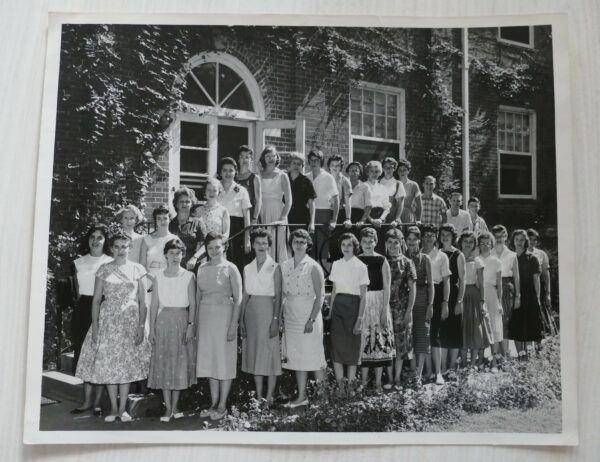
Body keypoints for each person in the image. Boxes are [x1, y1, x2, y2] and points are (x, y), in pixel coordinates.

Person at [75, 232, 151, 423]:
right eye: (116, 247)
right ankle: (113, 409)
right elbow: (95, 301)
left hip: (129, 321)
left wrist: (142, 326)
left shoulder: (137, 269)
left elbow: (144, 302)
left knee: (125, 364)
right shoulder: (103, 269)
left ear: (130, 248)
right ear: (111, 248)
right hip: (108, 320)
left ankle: (123, 409)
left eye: (124, 246)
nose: (120, 250)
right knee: (109, 364)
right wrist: (96, 327)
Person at [147, 238, 197, 422]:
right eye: (171, 253)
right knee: (165, 363)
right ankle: (167, 408)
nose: (175, 257)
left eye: (179, 253)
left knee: (179, 363)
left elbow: (193, 303)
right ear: (165, 256)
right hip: (163, 321)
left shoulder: (189, 276)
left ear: (183, 255)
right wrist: (151, 329)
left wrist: (191, 326)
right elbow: (153, 306)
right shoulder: (158, 276)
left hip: (182, 321)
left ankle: (176, 407)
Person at [195, 233, 243, 421]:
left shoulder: (231, 268)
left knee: (224, 361)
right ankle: (213, 403)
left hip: (224, 317)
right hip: (205, 318)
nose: (214, 251)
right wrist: (196, 323)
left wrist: (234, 325)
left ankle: (223, 405)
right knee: (209, 362)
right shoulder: (202, 267)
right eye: (210, 248)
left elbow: (238, 298)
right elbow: (198, 296)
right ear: (206, 249)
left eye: (217, 247)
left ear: (224, 247)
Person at [69, 224, 113, 415]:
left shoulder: (110, 262)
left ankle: (97, 401)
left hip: (104, 308)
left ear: (105, 241)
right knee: (84, 355)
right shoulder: (78, 262)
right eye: (92, 237)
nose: (95, 240)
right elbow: (75, 291)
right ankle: (86, 401)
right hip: (83, 309)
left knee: (101, 354)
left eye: (100, 237)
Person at [280, 229, 327, 407]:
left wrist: (312, 320)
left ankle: (323, 398)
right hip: (291, 316)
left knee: (313, 355)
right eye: (295, 241)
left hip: (309, 316)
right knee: (297, 357)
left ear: (308, 245)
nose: (298, 245)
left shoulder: (313, 266)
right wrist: (282, 319)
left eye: (302, 242)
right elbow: (282, 294)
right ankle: (301, 396)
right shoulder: (284, 265)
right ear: (291, 244)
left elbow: (320, 296)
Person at [240, 228, 283, 404]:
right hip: (251, 314)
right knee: (256, 354)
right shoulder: (247, 268)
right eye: (258, 243)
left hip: (268, 312)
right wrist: (241, 320)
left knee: (270, 355)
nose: (261, 246)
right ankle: (258, 396)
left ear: (269, 245)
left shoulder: (275, 267)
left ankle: (270, 396)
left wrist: (276, 320)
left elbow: (280, 295)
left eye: (265, 243)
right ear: (253, 245)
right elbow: (244, 295)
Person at [327, 233, 369, 385]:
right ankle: (340, 387)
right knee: (337, 348)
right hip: (338, 307)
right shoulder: (336, 264)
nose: (346, 248)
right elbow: (333, 290)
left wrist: (360, 319)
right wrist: (331, 312)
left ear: (355, 247)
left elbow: (363, 297)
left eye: (349, 245)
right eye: (343, 245)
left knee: (352, 348)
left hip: (353, 307)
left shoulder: (361, 266)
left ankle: (350, 387)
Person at [357, 228, 394, 392]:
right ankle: (364, 382)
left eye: (370, 241)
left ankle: (378, 382)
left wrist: (384, 310)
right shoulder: (356, 260)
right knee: (364, 342)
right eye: (364, 242)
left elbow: (387, 286)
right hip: (363, 302)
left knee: (379, 342)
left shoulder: (381, 260)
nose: (367, 245)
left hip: (378, 301)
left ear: (376, 242)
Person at [383, 228, 416, 389]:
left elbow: (412, 289)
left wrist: (409, 310)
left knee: (401, 344)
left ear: (401, 243)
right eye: (390, 242)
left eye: (396, 242)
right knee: (387, 343)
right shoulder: (382, 261)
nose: (393, 246)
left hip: (401, 308)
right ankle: (388, 378)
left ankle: (397, 378)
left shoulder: (407, 262)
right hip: (384, 308)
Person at [421, 224, 451, 385]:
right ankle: (427, 371)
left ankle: (438, 372)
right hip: (420, 293)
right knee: (423, 334)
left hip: (438, 294)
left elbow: (447, 282)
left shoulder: (442, 256)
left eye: (431, 235)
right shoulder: (417, 254)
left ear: (436, 237)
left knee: (435, 334)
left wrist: (445, 303)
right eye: (425, 235)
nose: (428, 238)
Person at [508, 229, 544, 358]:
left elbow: (536, 279)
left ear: (526, 241)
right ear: (513, 241)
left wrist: (537, 298)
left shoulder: (532, 258)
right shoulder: (510, 256)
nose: (519, 242)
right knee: (517, 325)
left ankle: (528, 357)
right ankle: (520, 356)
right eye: (517, 239)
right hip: (513, 295)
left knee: (529, 326)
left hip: (529, 296)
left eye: (522, 240)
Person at [459, 231, 492, 368]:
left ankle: (472, 363)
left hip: (473, 295)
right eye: (465, 241)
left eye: (471, 242)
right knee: (461, 329)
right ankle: (462, 362)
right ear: (460, 242)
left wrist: (482, 302)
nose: (467, 244)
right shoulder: (456, 257)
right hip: (459, 295)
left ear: (474, 245)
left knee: (474, 329)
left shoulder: (477, 260)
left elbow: (481, 282)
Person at [405, 226, 433, 384]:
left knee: (422, 336)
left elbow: (431, 284)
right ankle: (410, 372)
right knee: (408, 336)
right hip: (405, 301)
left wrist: (431, 304)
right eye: (409, 239)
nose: (411, 242)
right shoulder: (401, 257)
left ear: (419, 240)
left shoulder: (425, 258)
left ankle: (418, 375)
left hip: (422, 299)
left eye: (414, 239)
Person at [439, 224, 466, 374]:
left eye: (447, 235)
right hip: (440, 296)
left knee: (454, 331)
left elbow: (462, 280)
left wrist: (459, 302)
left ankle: (452, 367)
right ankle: (442, 367)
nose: (445, 237)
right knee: (442, 332)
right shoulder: (437, 253)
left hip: (454, 296)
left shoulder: (458, 255)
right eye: (442, 234)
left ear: (453, 237)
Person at [217, 157, 252, 272]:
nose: (228, 173)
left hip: (237, 230)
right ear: (220, 172)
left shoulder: (241, 191)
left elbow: (247, 218)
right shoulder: (215, 188)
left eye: (231, 170)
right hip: (219, 228)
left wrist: (247, 240)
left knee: (236, 263)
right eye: (225, 170)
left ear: (235, 172)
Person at [306, 149, 339, 269]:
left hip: (323, 214)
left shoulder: (328, 177)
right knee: (309, 245)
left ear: (321, 161)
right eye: (311, 160)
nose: (314, 163)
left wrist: (334, 219)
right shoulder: (306, 176)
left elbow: (336, 199)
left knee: (322, 247)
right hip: (309, 215)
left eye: (316, 160)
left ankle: (323, 275)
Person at [258, 146, 292, 262]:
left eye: (273, 156)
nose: (271, 158)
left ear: (277, 157)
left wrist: (283, 217)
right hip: (262, 211)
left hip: (278, 212)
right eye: (267, 156)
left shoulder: (282, 175)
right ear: (263, 158)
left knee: (279, 244)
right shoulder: (259, 175)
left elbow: (289, 200)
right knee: (264, 242)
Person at [493, 224, 521, 358]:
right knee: (493, 320)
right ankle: (495, 354)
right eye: (496, 236)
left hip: (506, 287)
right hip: (492, 288)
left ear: (506, 237)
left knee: (504, 320)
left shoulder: (512, 255)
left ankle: (504, 355)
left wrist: (518, 296)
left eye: (501, 236)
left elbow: (516, 276)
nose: (499, 239)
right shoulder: (488, 252)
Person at [479, 231, 503, 372]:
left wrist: (499, 303)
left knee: (494, 327)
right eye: (482, 244)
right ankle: (480, 360)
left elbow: (499, 284)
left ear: (492, 244)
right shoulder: (476, 259)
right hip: (479, 295)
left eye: (487, 244)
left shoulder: (496, 261)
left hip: (492, 295)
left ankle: (494, 361)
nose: (485, 246)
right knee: (480, 328)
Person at [192, 178, 230, 264]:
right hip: (201, 252)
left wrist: (216, 246)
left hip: (217, 250)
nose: (211, 193)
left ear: (218, 192)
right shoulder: (198, 210)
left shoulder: (223, 211)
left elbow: (226, 234)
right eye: (208, 190)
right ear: (205, 192)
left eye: (214, 190)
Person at [168, 187, 204, 269]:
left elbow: (204, 245)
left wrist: (195, 258)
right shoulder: (170, 224)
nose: (184, 204)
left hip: (191, 265)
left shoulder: (197, 223)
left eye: (187, 201)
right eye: (181, 201)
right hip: (173, 265)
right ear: (176, 204)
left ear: (192, 204)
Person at [328, 155, 353, 261]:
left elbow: (348, 202)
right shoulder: (326, 178)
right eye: (332, 165)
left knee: (337, 244)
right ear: (329, 166)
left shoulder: (344, 180)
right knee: (325, 244)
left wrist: (348, 218)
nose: (335, 167)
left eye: (337, 165)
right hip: (326, 213)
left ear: (341, 167)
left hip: (339, 214)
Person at [140, 205, 176, 279]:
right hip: (149, 279)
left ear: (170, 219)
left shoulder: (174, 239)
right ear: (155, 220)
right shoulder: (147, 239)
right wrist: (151, 278)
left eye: (165, 218)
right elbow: (142, 264)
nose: (162, 221)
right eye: (159, 219)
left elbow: (176, 264)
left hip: (168, 278)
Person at [364, 160, 391, 253]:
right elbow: (362, 207)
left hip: (380, 221)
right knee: (368, 245)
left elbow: (387, 207)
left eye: (377, 171)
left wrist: (381, 219)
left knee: (380, 247)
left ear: (380, 173)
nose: (374, 174)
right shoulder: (363, 186)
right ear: (367, 172)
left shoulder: (383, 188)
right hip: (367, 218)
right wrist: (371, 220)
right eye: (372, 171)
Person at [287, 151, 316, 232]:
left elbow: (311, 203)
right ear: (290, 164)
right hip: (286, 216)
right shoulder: (283, 178)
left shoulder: (306, 181)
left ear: (302, 166)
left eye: (299, 164)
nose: (296, 166)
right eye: (294, 163)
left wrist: (312, 222)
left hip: (301, 218)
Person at [527, 228, 552, 318]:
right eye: (530, 239)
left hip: (539, 286)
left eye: (535, 239)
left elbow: (546, 274)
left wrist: (548, 293)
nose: (532, 241)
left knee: (541, 315)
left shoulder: (541, 254)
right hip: (525, 287)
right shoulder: (519, 253)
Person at [236, 145, 262, 225]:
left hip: (250, 214)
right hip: (236, 214)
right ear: (238, 159)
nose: (244, 159)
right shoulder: (233, 177)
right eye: (242, 157)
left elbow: (258, 200)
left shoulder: (254, 178)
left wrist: (254, 218)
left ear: (251, 160)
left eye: (247, 157)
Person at [379, 157, 406, 225]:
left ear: (394, 169)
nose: (388, 169)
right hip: (378, 215)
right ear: (382, 168)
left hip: (392, 217)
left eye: (391, 167)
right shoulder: (378, 182)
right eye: (386, 167)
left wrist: (397, 218)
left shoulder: (398, 184)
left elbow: (400, 204)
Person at [346, 161, 372, 225]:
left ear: (360, 173)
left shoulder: (365, 186)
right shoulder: (343, 185)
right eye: (351, 170)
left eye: (356, 171)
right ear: (348, 172)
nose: (353, 173)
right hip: (344, 216)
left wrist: (362, 221)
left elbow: (368, 206)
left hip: (358, 216)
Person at [397, 158, 421, 224]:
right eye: (400, 170)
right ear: (397, 171)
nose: (402, 172)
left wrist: (418, 219)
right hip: (396, 215)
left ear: (408, 171)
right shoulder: (394, 184)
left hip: (408, 216)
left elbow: (419, 204)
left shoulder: (413, 185)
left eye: (404, 170)